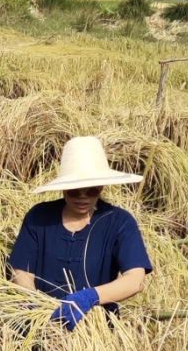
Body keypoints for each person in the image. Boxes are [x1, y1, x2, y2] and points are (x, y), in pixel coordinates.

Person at [8, 135, 151, 327]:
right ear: (64, 188)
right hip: (39, 326)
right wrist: (34, 305)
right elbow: (21, 272)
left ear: (102, 186)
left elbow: (135, 280)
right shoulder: (39, 217)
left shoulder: (119, 222)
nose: (82, 198)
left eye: (92, 190)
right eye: (74, 191)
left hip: (95, 331)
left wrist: (90, 297)